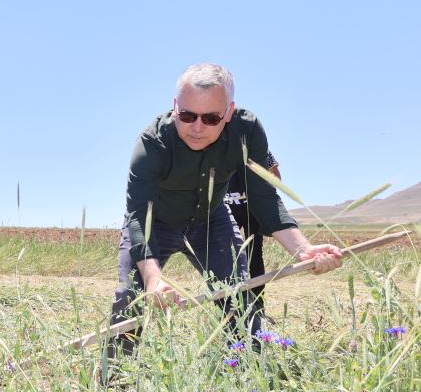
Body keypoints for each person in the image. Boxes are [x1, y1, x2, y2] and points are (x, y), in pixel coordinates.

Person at [107, 63, 341, 359]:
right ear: (175, 106)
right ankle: (114, 382)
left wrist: (304, 250)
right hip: (156, 223)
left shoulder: (248, 130)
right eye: (187, 115)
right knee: (131, 297)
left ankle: (249, 373)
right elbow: (139, 216)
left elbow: (264, 198)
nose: (197, 127)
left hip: (211, 221)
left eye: (211, 118)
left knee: (238, 295)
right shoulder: (152, 142)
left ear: (229, 113)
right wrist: (154, 280)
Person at [225, 151, 281, 319]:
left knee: (254, 256)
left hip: (252, 210)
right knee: (227, 256)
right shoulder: (219, 144)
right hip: (227, 208)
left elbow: (275, 176)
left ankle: (258, 308)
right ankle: (232, 309)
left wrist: (262, 197)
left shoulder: (260, 149)